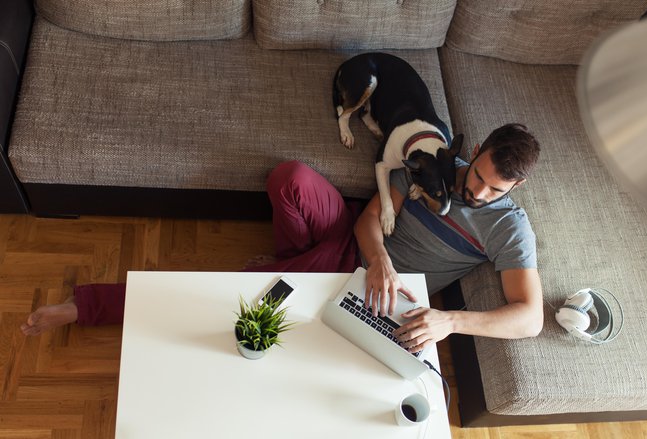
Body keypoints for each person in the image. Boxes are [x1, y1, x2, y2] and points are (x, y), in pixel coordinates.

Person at [22, 123, 543, 352]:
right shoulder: (439, 166)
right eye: (475, 174)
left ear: (515, 186)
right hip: (355, 244)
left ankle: (85, 306)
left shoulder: (508, 229)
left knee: (229, 301)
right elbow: (368, 220)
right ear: (475, 151)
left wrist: (449, 320)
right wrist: (379, 255)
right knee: (290, 178)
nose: (474, 190)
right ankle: (286, 270)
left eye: (492, 187)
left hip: (372, 291)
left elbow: (529, 317)